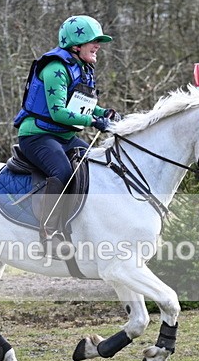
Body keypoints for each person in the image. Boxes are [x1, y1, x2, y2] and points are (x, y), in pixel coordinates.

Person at [13, 15, 120, 257]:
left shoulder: (81, 68)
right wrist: (94, 122)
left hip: (63, 137)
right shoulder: (55, 68)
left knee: (94, 165)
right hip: (37, 135)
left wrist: (106, 113)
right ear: (76, 45)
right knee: (62, 171)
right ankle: (48, 234)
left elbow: (83, 105)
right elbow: (59, 112)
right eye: (94, 41)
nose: (98, 46)